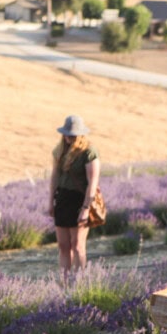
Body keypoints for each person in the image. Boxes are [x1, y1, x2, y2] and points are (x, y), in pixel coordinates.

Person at [48, 115, 101, 281]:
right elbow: (54, 177)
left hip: (80, 200)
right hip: (62, 199)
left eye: (71, 135)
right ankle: (65, 284)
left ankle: (78, 283)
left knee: (77, 246)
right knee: (63, 246)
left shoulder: (89, 152)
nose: (68, 137)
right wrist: (50, 201)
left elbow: (93, 182)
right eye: (66, 134)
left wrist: (85, 209)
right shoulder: (60, 151)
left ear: (80, 135)